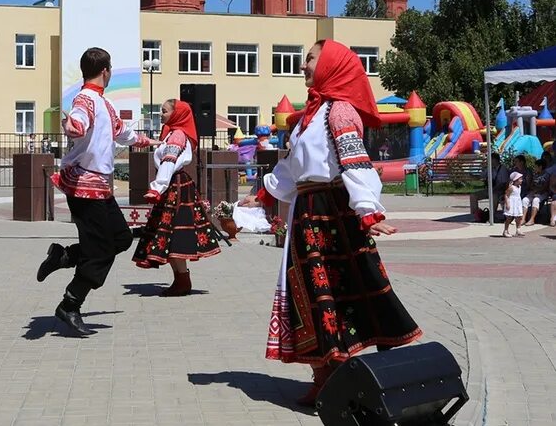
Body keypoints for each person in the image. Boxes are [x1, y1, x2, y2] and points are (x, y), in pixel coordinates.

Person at [240, 40, 421, 406]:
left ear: (331, 64)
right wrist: (263, 195)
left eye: (310, 59)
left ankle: (350, 376)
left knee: (336, 290)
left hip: (332, 211)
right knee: (308, 291)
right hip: (308, 211)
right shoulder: (312, 114)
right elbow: (292, 168)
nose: (304, 66)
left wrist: (368, 211)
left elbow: (356, 162)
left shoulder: (339, 111)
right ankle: (325, 374)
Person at [36, 47, 158, 336]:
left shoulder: (105, 104)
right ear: (106, 71)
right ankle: (70, 304)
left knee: (121, 238)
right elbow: (78, 123)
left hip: (100, 186)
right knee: (100, 251)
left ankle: (63, 257)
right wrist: (72, 125)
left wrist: (147, 141)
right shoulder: (86, 100)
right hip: (83, 185)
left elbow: (122, 133)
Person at [131, 99, 220, 295]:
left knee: (174, 233)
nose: (160, 114)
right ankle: (180, 279)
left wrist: (157, 188)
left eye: (164, 111)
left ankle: (182, 281)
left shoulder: (178, 135)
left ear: (177, 114)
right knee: (169, 233)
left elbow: (169, 162)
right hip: (173, 185)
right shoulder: (172, 133)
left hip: (173, 186)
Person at [470, 152, 509, 218]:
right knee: (473, 196)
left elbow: (504, 184)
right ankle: (475, 215)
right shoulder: (489, 168)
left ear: (495, 160)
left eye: (490, 159)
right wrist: (473, 176)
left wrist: (495, 189)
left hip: (499, 191)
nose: (489, 161)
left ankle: (492, 215)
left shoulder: (503, 169)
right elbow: (481, 176)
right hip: (490, 189)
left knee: (494, 196)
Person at [522, 159, 550, 225]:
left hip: (543, 192)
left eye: (536, 166)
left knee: (536, 200)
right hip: (534, 191)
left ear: (540, 167)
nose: (534, 168)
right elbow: (531, 184)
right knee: (525, 200)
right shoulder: (535, 174)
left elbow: (546, 187)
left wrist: (538, 191)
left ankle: (532, 219)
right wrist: (534, 191)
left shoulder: (547, 175)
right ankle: (523, 219)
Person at [503, 171, 525, 237]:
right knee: (509, 218)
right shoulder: (511, 187)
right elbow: (506, 195)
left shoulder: (519, 187)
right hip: (511, 203)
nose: (522, 180)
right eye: (520, 179)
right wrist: (507, 204)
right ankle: (505, 231)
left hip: (517, 204)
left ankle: (518, 230)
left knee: (519, 217)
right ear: (515, 180)